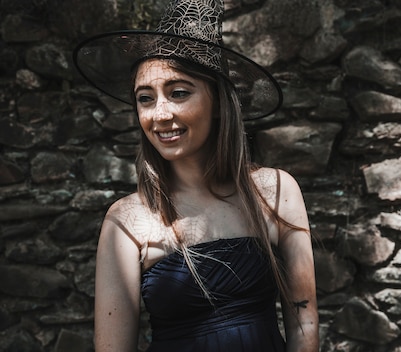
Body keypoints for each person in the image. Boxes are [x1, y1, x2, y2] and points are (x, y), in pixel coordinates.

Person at [73, 0, 319, 351]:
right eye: (145, 98)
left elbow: (305, 323)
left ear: (218, 101)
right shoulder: (127, 219)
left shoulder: (275, 190)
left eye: (179, 93)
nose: (160, 114)